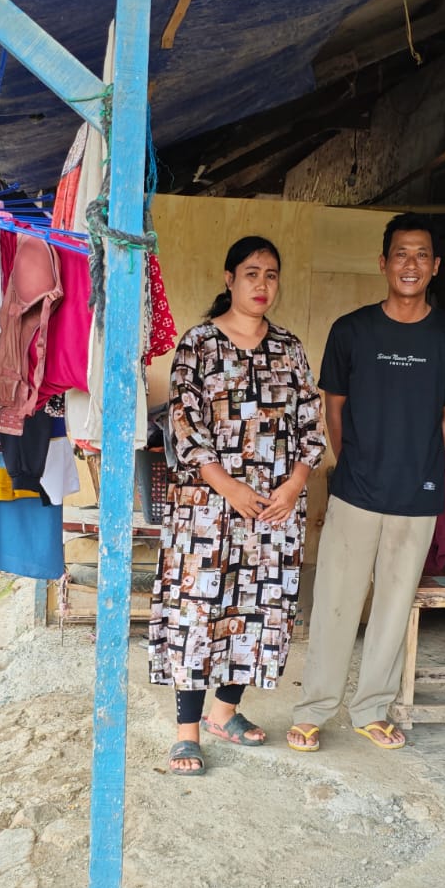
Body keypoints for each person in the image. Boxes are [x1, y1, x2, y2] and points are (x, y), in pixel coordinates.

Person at [290, 214, 445, 752]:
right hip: (356, 489)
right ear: (383, 263)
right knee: (336, 600)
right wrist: (353, 461)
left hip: (417, 494)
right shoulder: (351, 331)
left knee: (394, 607)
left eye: (421, 255)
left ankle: (371, 709)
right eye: (400, 254)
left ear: (435, 266)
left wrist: (419, 461)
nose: (410, 264)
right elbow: (334, 407)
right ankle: (314, 709)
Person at [149, 236, 325, 776]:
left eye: (271, 274)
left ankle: (224, 713)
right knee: (198, 608)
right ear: (229, 279)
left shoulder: (289, 348)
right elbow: (184, 424)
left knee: (257, 610)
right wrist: (228, 487)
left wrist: (294, 486)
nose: (262, 284)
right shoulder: (199, 343)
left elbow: (310, 424)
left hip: (273, 508)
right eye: (251, 273)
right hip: (208, 507)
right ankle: (186, 732)